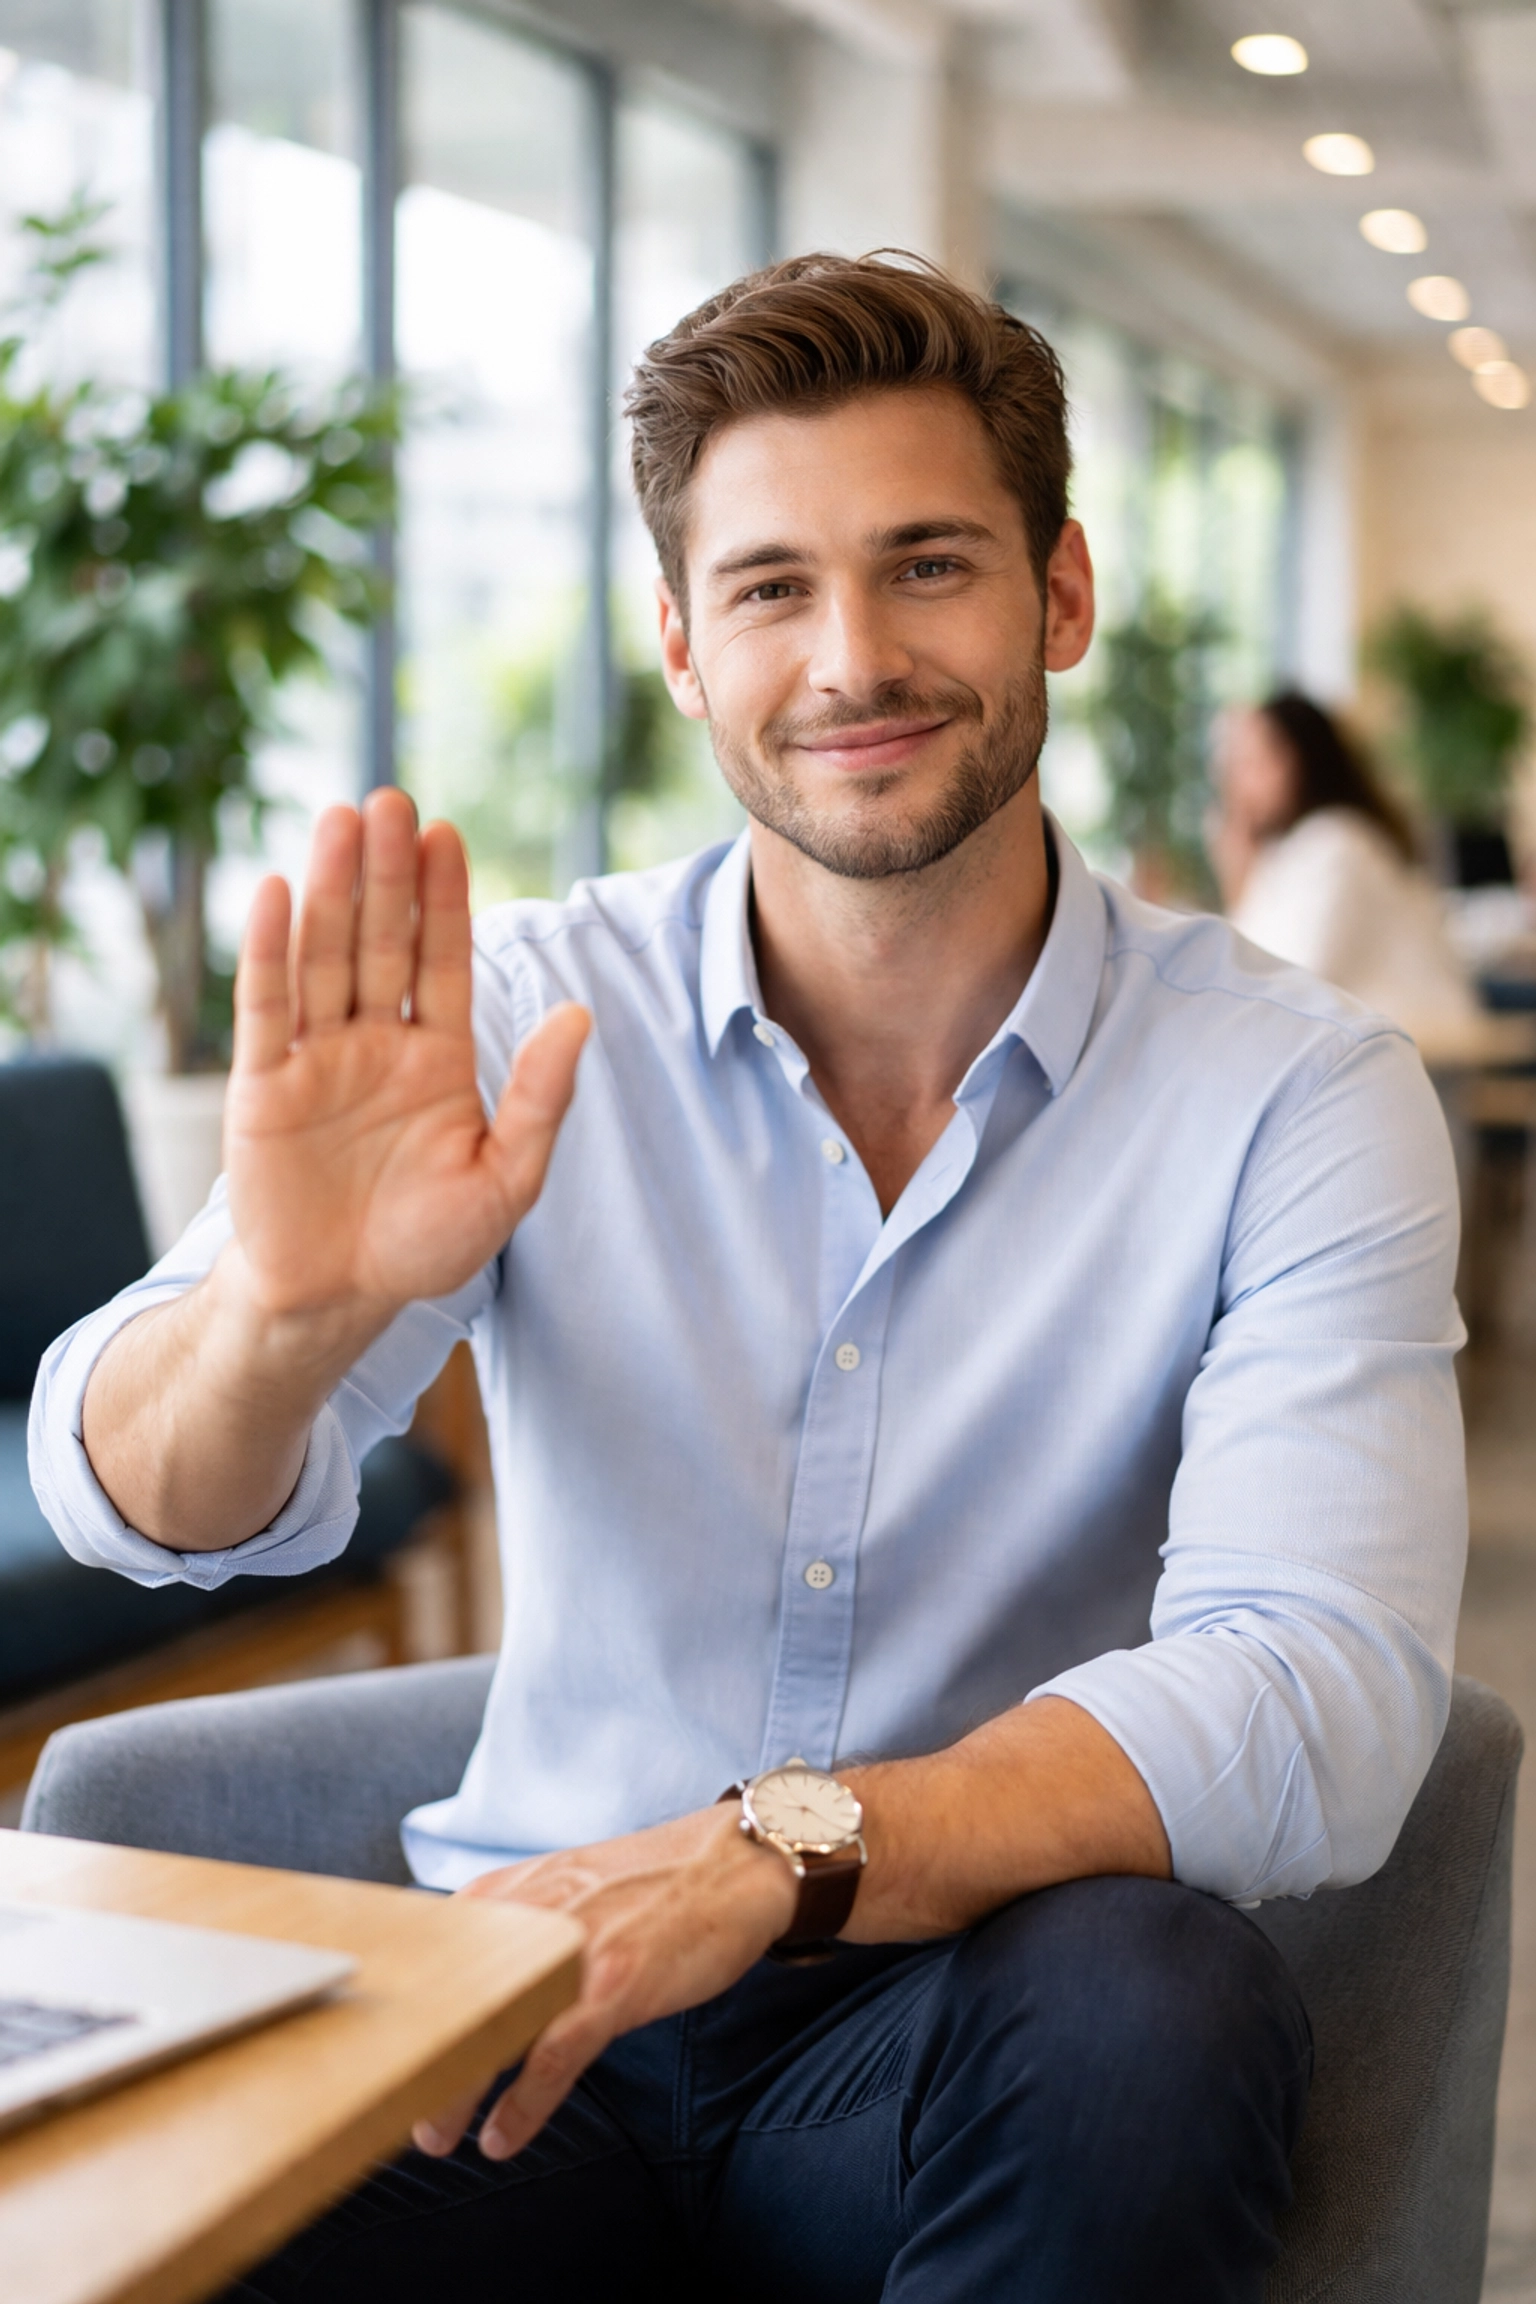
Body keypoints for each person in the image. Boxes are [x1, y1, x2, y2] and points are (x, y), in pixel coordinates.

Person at [30, 255, 1466, 2303]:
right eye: (774, 586)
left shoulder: (1295, 1096)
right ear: (686, 649)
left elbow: (1319, 1688)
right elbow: (133, 1508)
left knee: (1158, 1999)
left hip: (960, 2035)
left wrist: (778, 1855)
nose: (855, 656)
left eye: (929, 566)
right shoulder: (525, 1015)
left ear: (1060, 595)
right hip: (529, 2034)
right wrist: (278, 1311)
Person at [1211, 690, 1482, 1057]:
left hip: (1420, 1058)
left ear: (1296, 762)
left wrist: (1239, 884)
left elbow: (1283, 981)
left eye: (1252, 763)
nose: (1237, 785)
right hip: (1373, 1055)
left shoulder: (1339, 845)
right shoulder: (1296, 851)